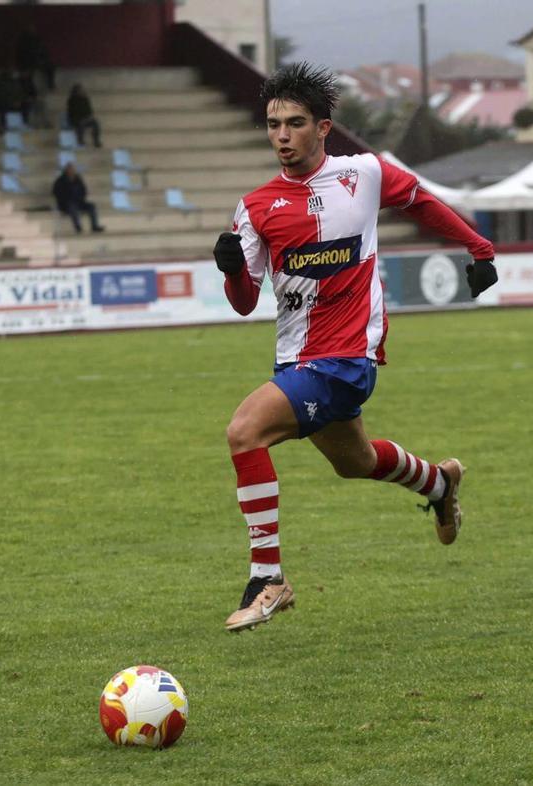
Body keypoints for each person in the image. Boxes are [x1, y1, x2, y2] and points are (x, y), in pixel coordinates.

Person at [211, 63, 499, 632]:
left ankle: (268, 578)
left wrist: (479, 248)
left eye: (295, 123)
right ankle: (440, 483)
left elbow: (419, 200)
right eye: (273, 125)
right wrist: (231, 271)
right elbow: (244, 301)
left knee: (244, 430)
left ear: (323, 128)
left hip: (346, 359)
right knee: (356, 462)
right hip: (296, 359)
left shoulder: (362, 175)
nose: (282, 136)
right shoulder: (254, 207)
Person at [52, 162, 104, 234]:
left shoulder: (78, 179)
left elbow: (84, 190)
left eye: (72, 169)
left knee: (92, 206)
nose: (71, 171)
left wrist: (80, 198)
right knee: (72, 207)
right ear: (66, 170)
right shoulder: (60, 180)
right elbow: (56, 193)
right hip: (66, 204)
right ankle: (78, 228)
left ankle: (94, 226)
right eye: (69, 169)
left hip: (79, 202)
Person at [66, 84, 101, 148]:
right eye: (80, 90)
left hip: (85, 118)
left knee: (95, 123)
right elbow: (72, 112)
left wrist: (88, 117)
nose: (81, 91)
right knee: (81, 123)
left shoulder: (85, 99)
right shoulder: (72, 100)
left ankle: (96, 140)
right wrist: (82, 117)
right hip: (75, 119)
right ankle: (80, 140)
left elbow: (89, 110)